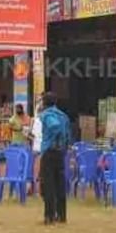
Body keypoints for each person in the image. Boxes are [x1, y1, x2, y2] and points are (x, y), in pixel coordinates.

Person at [39, 93, 70, 225]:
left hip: (49, 151)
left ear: (44, 103)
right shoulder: (63, 115)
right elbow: (68, 134)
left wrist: (53, 138)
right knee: (60, 184)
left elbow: (54, 126)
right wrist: (64, 146)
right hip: (60, 152)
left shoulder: (46, 115)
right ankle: (62, 215)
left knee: (48, 184)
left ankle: (49, 216)